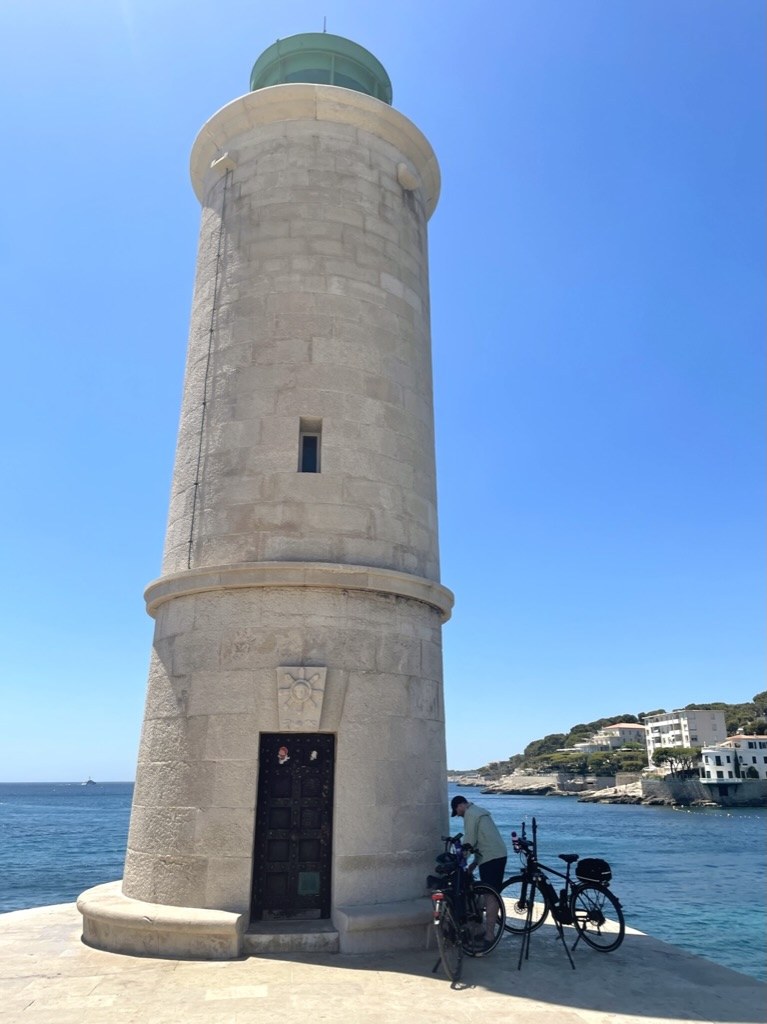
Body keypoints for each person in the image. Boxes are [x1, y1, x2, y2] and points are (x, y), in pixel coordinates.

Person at [450, 795, 507, 948]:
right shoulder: (479, 812)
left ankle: (489, 935)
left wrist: (460, 860)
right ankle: (484, 929)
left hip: (491, 857)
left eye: (458, 812)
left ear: (460, 805)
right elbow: (482, 840)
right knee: (489, 893)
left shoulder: (470, 814)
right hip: (496, 854)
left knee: (491, 896)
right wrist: (473, 864)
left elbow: (469, 840)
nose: (459, 815)